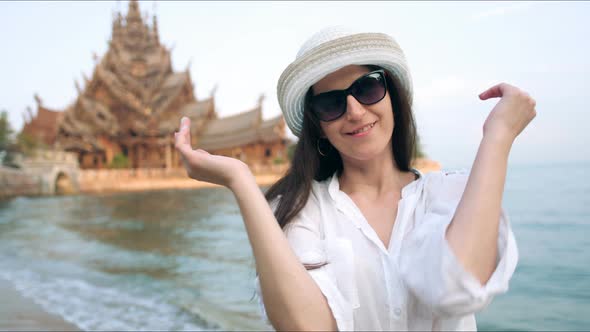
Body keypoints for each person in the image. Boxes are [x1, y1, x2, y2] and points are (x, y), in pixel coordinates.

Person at [174, 26, 536, 331]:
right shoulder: (299, 209)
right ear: (319, 125)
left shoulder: (447, 195)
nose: (354, 110)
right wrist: (241, 182)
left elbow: (458, 288)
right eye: (331, 103)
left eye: (366, 88)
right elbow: (308, 327)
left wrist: (498, 137)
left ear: (392, 95)